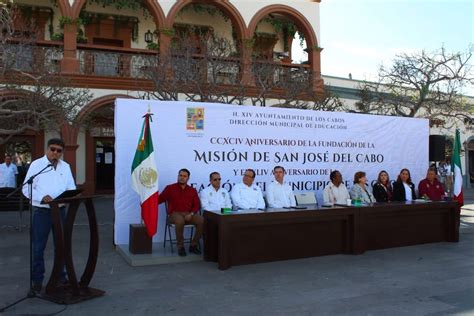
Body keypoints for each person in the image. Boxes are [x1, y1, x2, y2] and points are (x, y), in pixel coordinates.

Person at [22, 138, 76, 293]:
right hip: (42, 212)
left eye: (59, 151)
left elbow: (70, 186)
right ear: (47, 149)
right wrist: (42, 197)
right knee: (38, 248)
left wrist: (71, 195)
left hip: (60, 211)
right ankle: (37, 281)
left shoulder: (65, 167)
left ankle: (61, 276)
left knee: (61, 246)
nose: (55, 153)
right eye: (53, 149)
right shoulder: (37, 165)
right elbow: (26, 189)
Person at [159, 168, 203, 257]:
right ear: (178, 176)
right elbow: (159, 199)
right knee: (180, 221)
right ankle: (180, 247)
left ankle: (193, 245)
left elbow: (197, 205)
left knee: (201, 220)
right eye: (180, 175)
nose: (182, 178)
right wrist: (147, 201)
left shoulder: (192, 190)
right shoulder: (170, 188)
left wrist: (191, 214)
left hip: (188, 214)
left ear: (188, 178)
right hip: (174, 214)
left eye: (184, 176)